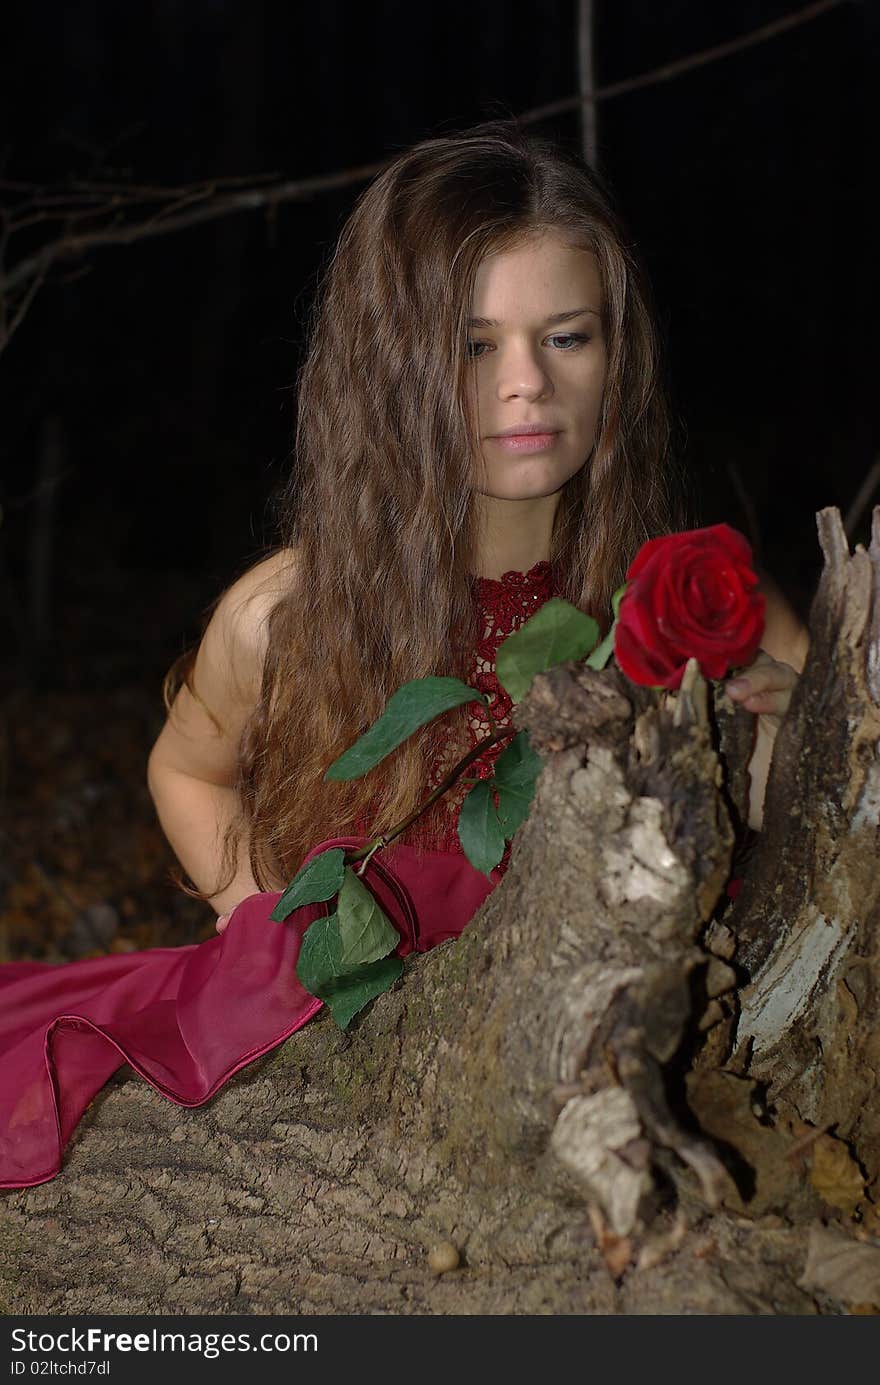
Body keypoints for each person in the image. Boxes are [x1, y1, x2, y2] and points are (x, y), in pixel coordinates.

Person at [0, 121, 806, 1190]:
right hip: (350, 1045)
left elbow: (819, 790)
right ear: (390, 368)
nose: (525, 382)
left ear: (620, 352)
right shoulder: (289, 612)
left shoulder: (690, 595)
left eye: (566, 337)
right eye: (473, 346)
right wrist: (257, 920)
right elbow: (184, 767)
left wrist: (791, 719)